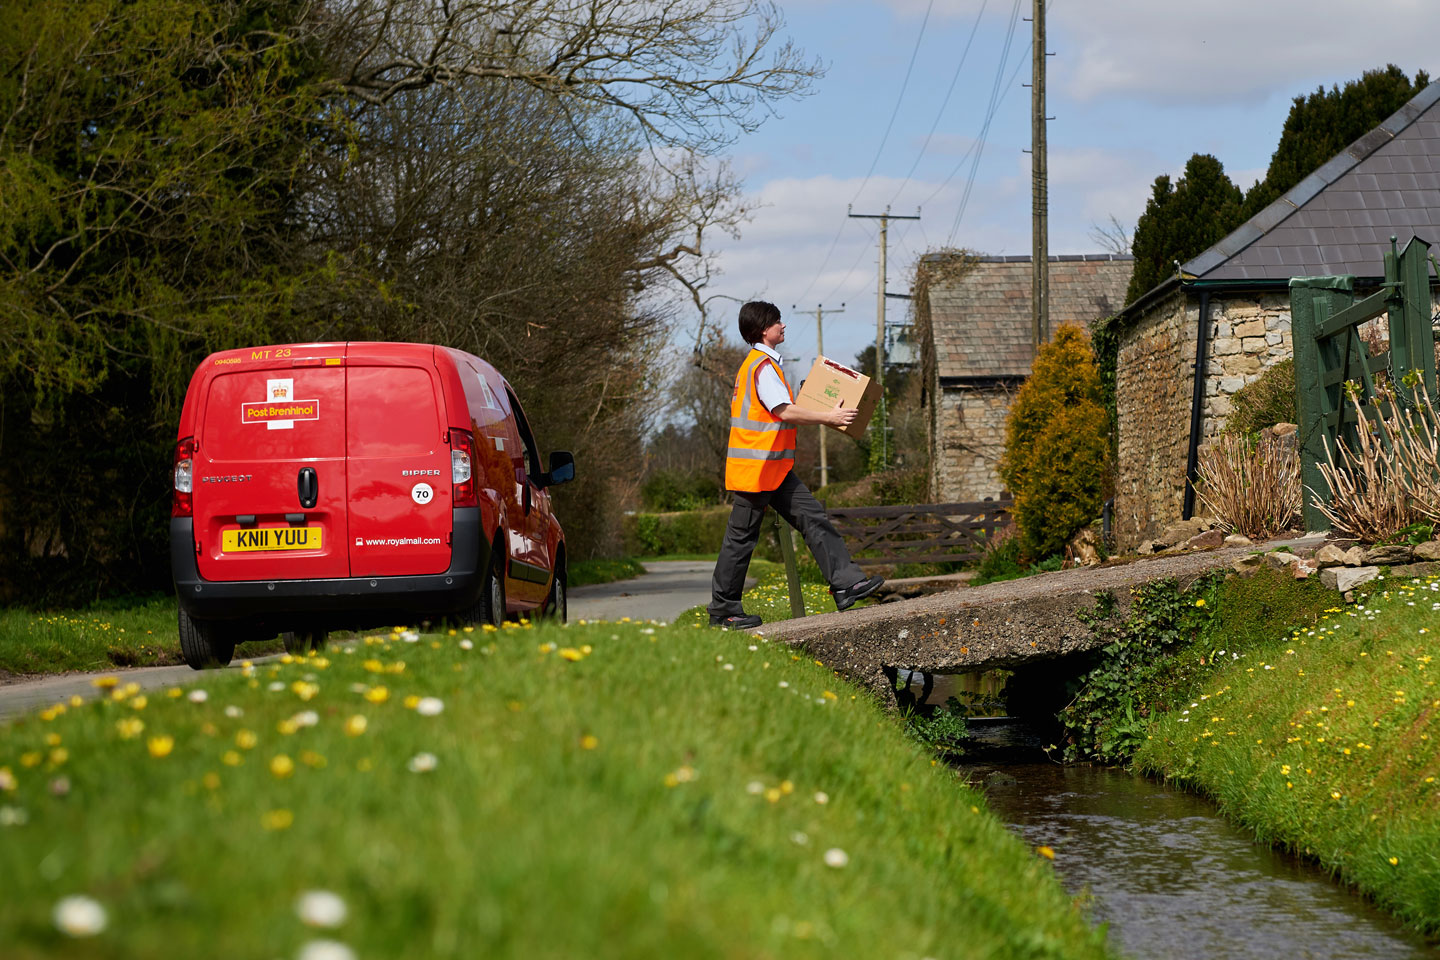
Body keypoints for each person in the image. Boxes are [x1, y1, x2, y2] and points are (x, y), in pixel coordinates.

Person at [709, 301, 884, 628]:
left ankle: (846, 583)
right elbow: (784, 411)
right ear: (764, 329)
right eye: (777, 321)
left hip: (771, 470)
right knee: (741, 540)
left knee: (812, 515)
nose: (783, 326)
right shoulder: (761, 366)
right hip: (757, 472)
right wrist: (829, 416)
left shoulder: (762, 365)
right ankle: (723, 612)